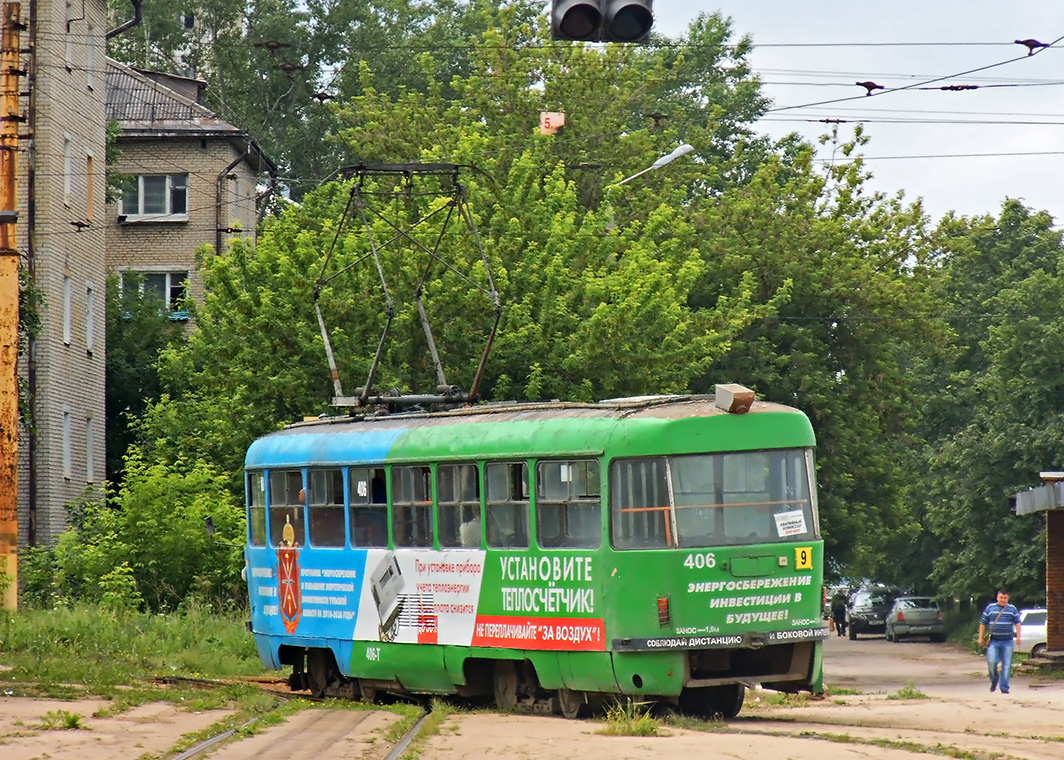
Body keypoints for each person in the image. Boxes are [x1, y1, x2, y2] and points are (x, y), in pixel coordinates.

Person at [978, 589, 1021, 694]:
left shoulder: (1012, 609)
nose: (1003, 600)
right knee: (991, 662)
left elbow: (1018, 623)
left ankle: (1004, 687)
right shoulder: (990, 608)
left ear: (1008, 598)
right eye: (1001, 597)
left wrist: (1019, 637)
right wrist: (980, 638)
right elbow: (983, 623)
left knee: (1007, 664)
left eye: (1005, 598)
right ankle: (994, 679)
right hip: (993, 641)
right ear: (997, 598)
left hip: (1008, 641)